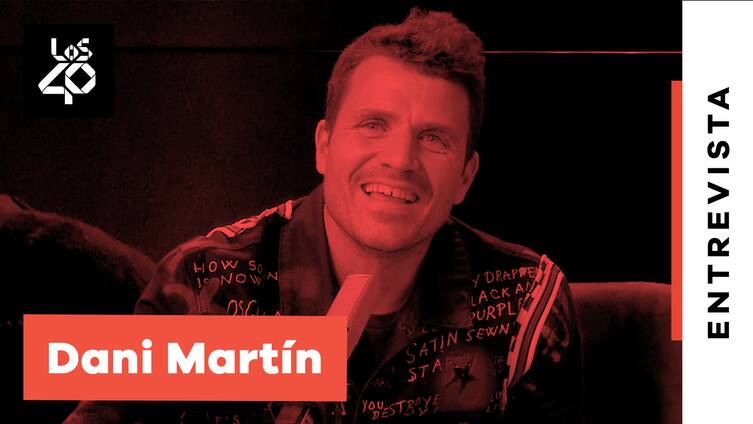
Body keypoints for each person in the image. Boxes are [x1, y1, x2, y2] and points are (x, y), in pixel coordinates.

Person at [66, 8, 582, 423]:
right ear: (324, 146)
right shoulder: (204, 284)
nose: (400, 160)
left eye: (433, 138)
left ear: (466, 176)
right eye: (373, 124)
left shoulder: (527, 301)